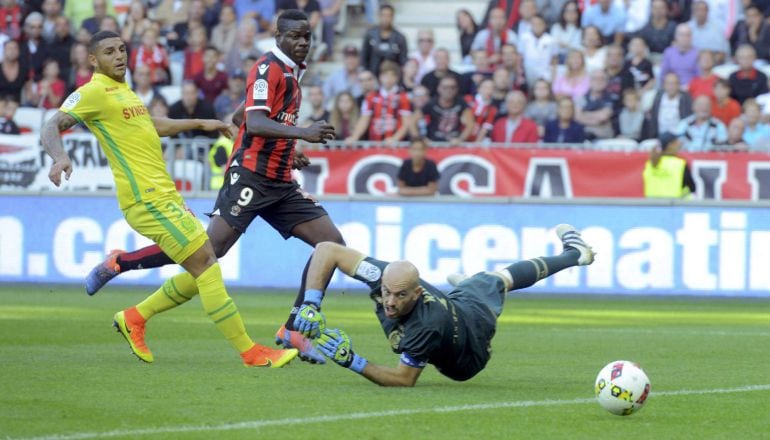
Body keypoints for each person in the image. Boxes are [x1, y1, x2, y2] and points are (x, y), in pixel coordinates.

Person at [82, 12, 344, 365]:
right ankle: (126, 277)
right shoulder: (269, 69)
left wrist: (287, 150)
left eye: (307, 36)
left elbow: (241, 118)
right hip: (250, 180)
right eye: (295, 36)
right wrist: (302, 133)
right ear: (278, 36)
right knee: (205, 255)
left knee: (332, 244)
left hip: (279, 183)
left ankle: (294, 326)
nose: (302, 42)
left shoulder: (295, 72)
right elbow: (254, 120)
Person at [42, 30, 298, 368]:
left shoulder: (122, 91)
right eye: (109, 51)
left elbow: (150, 124)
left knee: (200, 269)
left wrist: (201, 123)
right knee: (206, 264)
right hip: (145, 199)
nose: (120, 56)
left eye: (122, 49)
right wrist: (59, 157)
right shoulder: (92, 93)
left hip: (165, 195)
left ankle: (135, 317)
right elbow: (51, 124)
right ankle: (250, 352)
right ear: (93, 60)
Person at [292, 225, 594, 386]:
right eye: (386, 292)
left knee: (496, 279)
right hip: (454, 307)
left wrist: (353, 361)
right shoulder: (386, 277)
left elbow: (403, 379)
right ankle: (468, 285)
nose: (389, 302)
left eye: (399, 296)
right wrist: (310, 304)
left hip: (469, 350)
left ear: (417, 293)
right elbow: (327, 249)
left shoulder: (427, 324)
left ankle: (575, 255)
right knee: (487, 281)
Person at [346, 60, 411, 145]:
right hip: (375, 145)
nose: (388, 79)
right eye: (385, 75)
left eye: (392, 75)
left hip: (396, 146)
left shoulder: (403, 97)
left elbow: (406, 124)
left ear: (397, 78)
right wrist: (354, 137)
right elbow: (364, 120)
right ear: (380, 77)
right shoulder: (371, 97)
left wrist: (394, 139)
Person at [413, 75, 474, 144]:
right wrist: (422, 139)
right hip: (433, 144)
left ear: (457, 89)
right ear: (439, 88)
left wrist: (460, 139)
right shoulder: (431, 103)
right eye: (445, 87)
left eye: (452, 87)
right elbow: (413, 122)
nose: (449, 90)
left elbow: (470, 124)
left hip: (454, 144)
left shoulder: (461, 103)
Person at [643, 132, 696, 198]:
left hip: (651, 205)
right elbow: (692, 188)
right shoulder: (679, 164)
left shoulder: (650, 163)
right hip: (673, 205)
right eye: (677, 141)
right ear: (670, 145)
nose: (679, 143)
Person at [360, 4, 407, 74]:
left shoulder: (400, 38)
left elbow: (403, 61)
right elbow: (364, 58)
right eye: (383, 15)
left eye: (388, 16)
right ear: (379, 16)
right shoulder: (370, 35)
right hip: (372, 77)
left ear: (393, 17)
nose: (386, 19)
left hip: (392, 77)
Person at [645, 73, 693, 139]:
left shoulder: (685, 98)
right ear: (664, 85)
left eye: (674, 84)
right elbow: (653, 117)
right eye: (668, 83)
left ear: (679, 85)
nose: (671, 87)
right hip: (659, 136)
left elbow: (689, 119)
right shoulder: (658, 97)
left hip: (679, 138)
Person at [660, 24, 699, 88]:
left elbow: (699, 77)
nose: (684, 38)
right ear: (676, 36)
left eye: (687, 35)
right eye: (681, 35)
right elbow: (663, 74)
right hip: (671, 87)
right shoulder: (668, 52)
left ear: (691, 37)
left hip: (691, 89)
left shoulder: (697, 53)